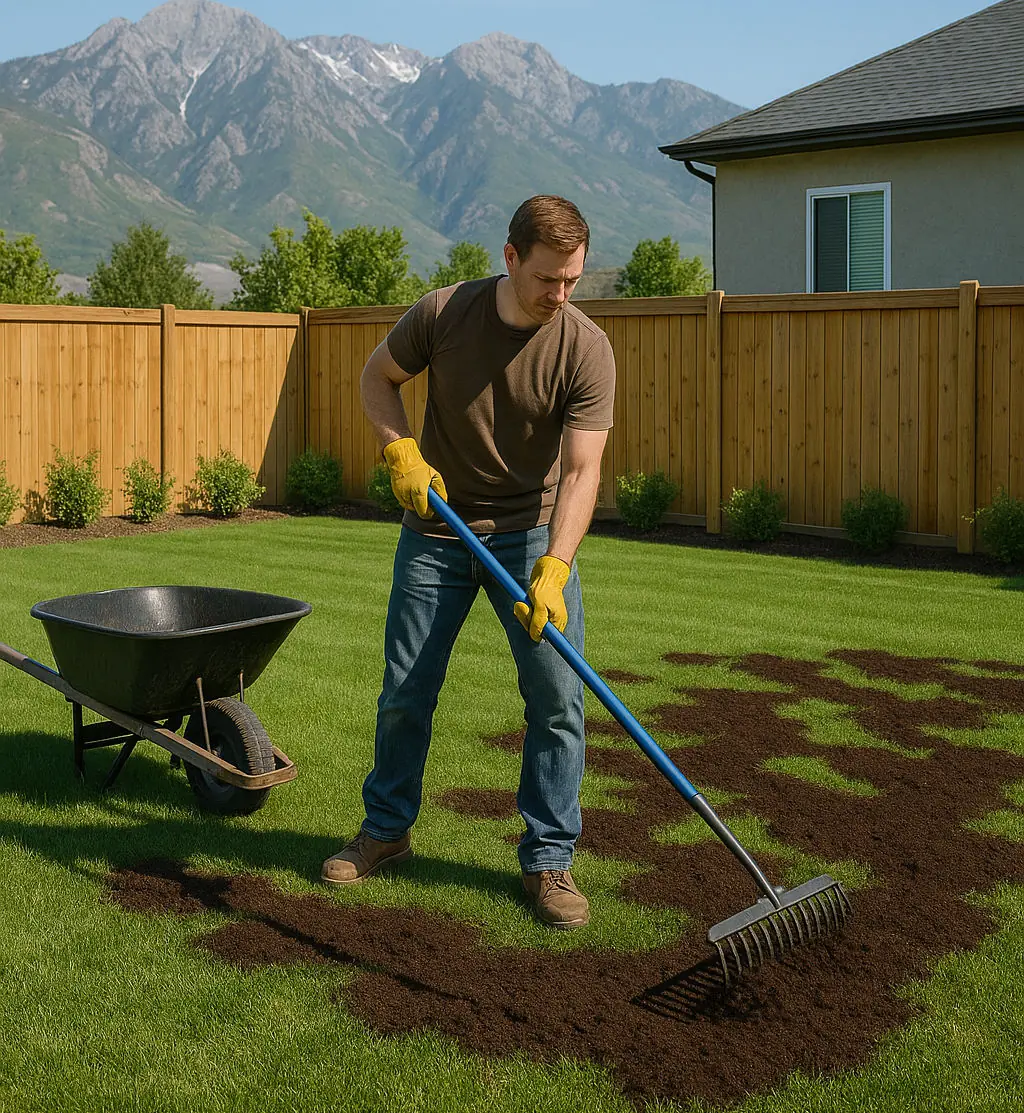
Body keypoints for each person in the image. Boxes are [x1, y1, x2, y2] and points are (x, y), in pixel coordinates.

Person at [321, 195, 616, 930]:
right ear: (511, 257)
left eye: (572, 280)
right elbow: (375, 378)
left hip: (531, 536)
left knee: (557, 699)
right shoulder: (443, 313)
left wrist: (555, 567)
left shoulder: (585, 347)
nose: (560, 294)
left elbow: (582, 473)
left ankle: (549, 858)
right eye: (549, 278)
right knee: (405, 691)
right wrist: (401, 449)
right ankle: (386, 831)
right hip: (438, 531)